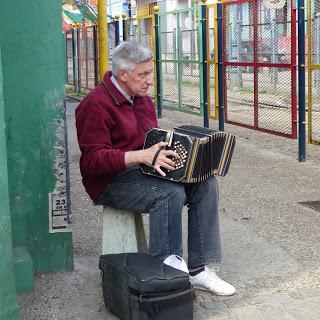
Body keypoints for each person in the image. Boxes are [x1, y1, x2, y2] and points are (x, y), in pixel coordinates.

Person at [75, 41, 236, 296]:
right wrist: (141, 156)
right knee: (169, 193)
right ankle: (167, 269)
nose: (150, 81)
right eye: (143, 75)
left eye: (151, 72)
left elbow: (150, 140)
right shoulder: (94, 104)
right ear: (123, 74)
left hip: (143, 168)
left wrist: (182, 155)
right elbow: (92, 161)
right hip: (109, 181)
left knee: (205, 182)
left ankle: (198, 270)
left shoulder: (141, 99)